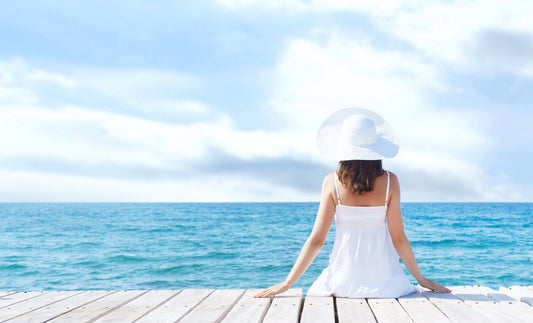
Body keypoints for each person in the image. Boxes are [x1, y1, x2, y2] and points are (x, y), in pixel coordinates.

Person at [255, 108, 450, 298]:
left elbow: (317, 240)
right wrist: (421, 279)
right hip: (385, 284)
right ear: (376, 148)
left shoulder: (332, 182)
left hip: (342, 283)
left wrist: (287, 283)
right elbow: (399, 238)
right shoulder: (391, 182)